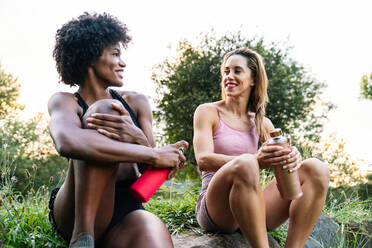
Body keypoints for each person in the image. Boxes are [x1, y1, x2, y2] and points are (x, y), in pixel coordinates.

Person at [48, 12, 188, 248]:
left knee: (152, 234)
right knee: (106, 109)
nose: (122, 62)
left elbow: (147, 172)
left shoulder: (137, 102)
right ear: (90, 57)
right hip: (75, 210)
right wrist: (153, 153)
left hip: (126, 207)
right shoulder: (65, 101)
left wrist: (138, 138)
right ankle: (82, 238)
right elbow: (67, 142)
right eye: (115, 54)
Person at [193, 48, 330, 248]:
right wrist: (256, 160)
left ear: (253, 80)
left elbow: (286, 190)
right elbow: (203, 159)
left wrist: (290, 159)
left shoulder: (263, 123)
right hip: (217, 208)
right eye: (226, 71)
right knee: (247, 163)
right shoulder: (208, 112)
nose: (229, 76)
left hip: (253, 205)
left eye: (237, 71)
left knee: (317, 168)